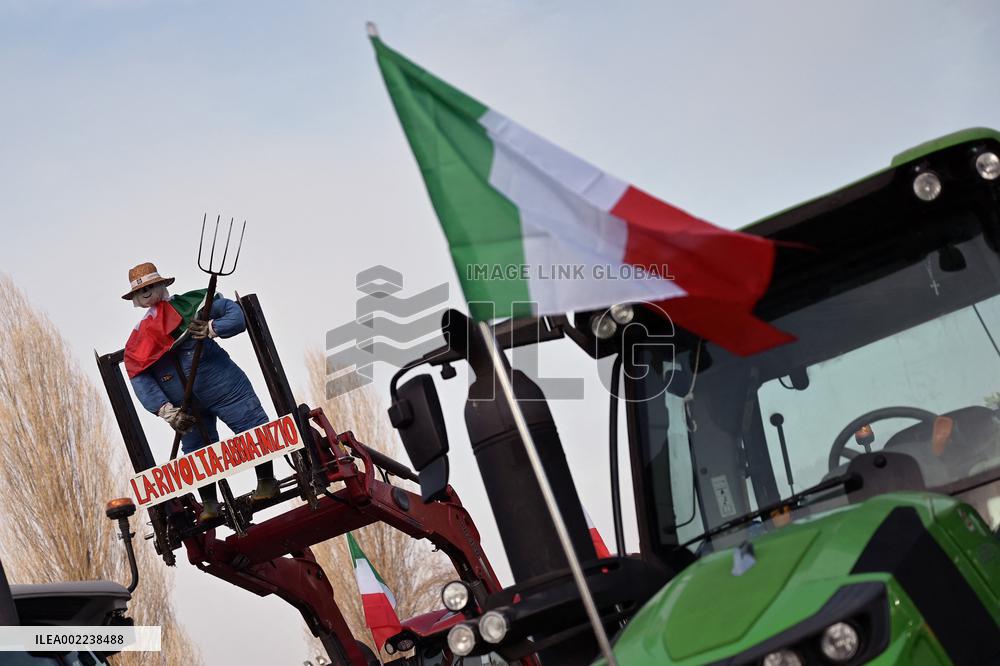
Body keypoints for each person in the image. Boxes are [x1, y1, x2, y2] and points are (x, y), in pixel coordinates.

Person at [121, 262, 280, 521]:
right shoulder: (138, 339)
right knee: (197, 451)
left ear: (162, 285)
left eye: (151, 286)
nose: (147, 293)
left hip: (225, 386)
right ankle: (209, 504)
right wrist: (164, 410)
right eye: (142, 290)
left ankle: (266, 481)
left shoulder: (196, 303)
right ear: (136, 300)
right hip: (184, 405)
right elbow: (139, 375)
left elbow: (235, 315)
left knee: (252, 428)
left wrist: (213, 328)